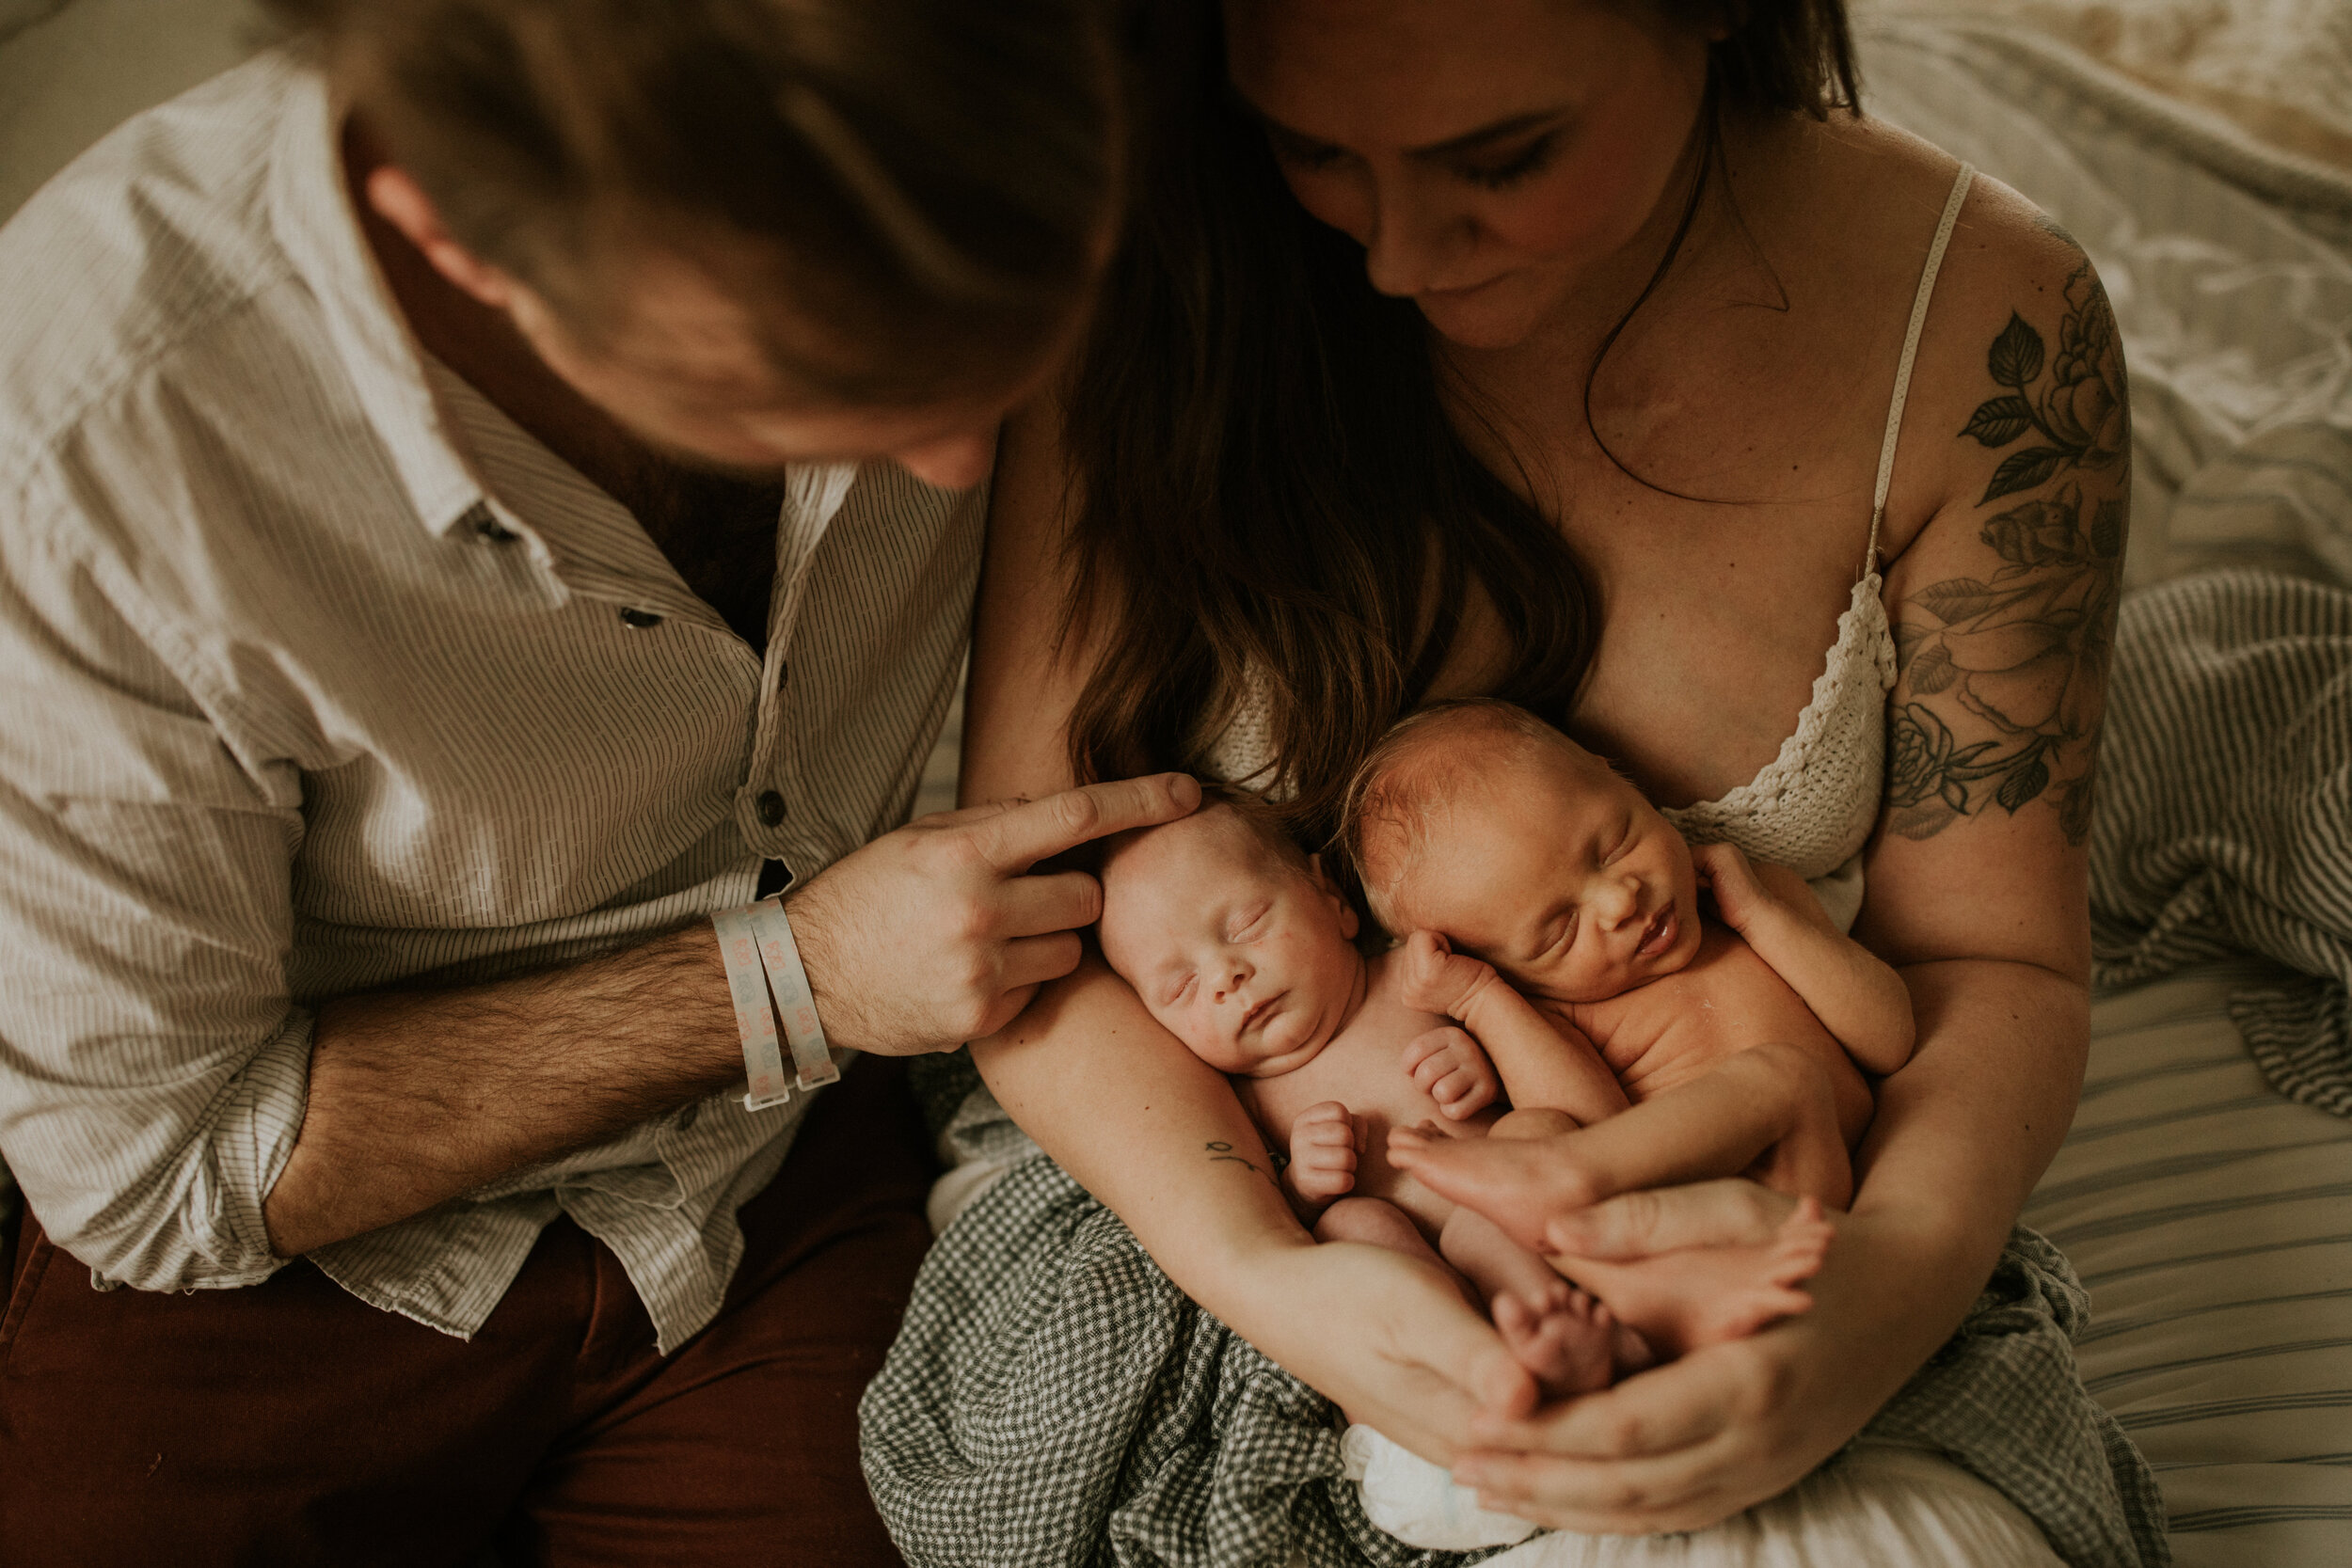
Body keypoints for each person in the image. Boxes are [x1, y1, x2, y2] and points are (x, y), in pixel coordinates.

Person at [0, 2, 1191, 1562]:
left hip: (774, 1176)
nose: (966, 459)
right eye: (808, 384)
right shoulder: (92, 442)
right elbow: (161, 1166)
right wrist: (799, 977)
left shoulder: (1042, 98)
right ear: (449, 234)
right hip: (290, 1255)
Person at [964, 0, 2123, 1541]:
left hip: (1793, 1198)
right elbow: (1013, 924)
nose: (1392, 257)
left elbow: (1994, 954)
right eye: (1311, 148)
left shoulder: (1989, 333)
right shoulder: (1154, 284)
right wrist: (1275, 1269)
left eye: (1502, 157)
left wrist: (1873, 1303)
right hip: (1221, 1192)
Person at [1094, 786, 1838, 1401]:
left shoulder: (1419, 975)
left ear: (1331, 897)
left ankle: (1557, 1327)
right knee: (1353, 1227)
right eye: (1181, 986)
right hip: (1428, 1277)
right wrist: (1303, 1184)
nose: (1224, 976)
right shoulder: (1239, 1100)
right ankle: (1472, 1359)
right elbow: (1261, 1218)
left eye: (1247, 923)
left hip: (1535, 1219)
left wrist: (1489, 1054)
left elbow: (1585, 1106)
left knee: (1518, 1152)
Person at [1357, 698, 1914, 1223]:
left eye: (1615, 844)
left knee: (1781, 1082)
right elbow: (1595, 1137)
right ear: (1505, 968)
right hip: (1668, 1220)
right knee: (1530, 1131)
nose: (1620, 900)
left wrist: (1760, 918)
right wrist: (1480, 1000)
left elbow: (1890, 1038)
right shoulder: (1558, 1016)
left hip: (1811, 1179)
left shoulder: (1758, 902)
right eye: (1560, 930)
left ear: (1619, 777)